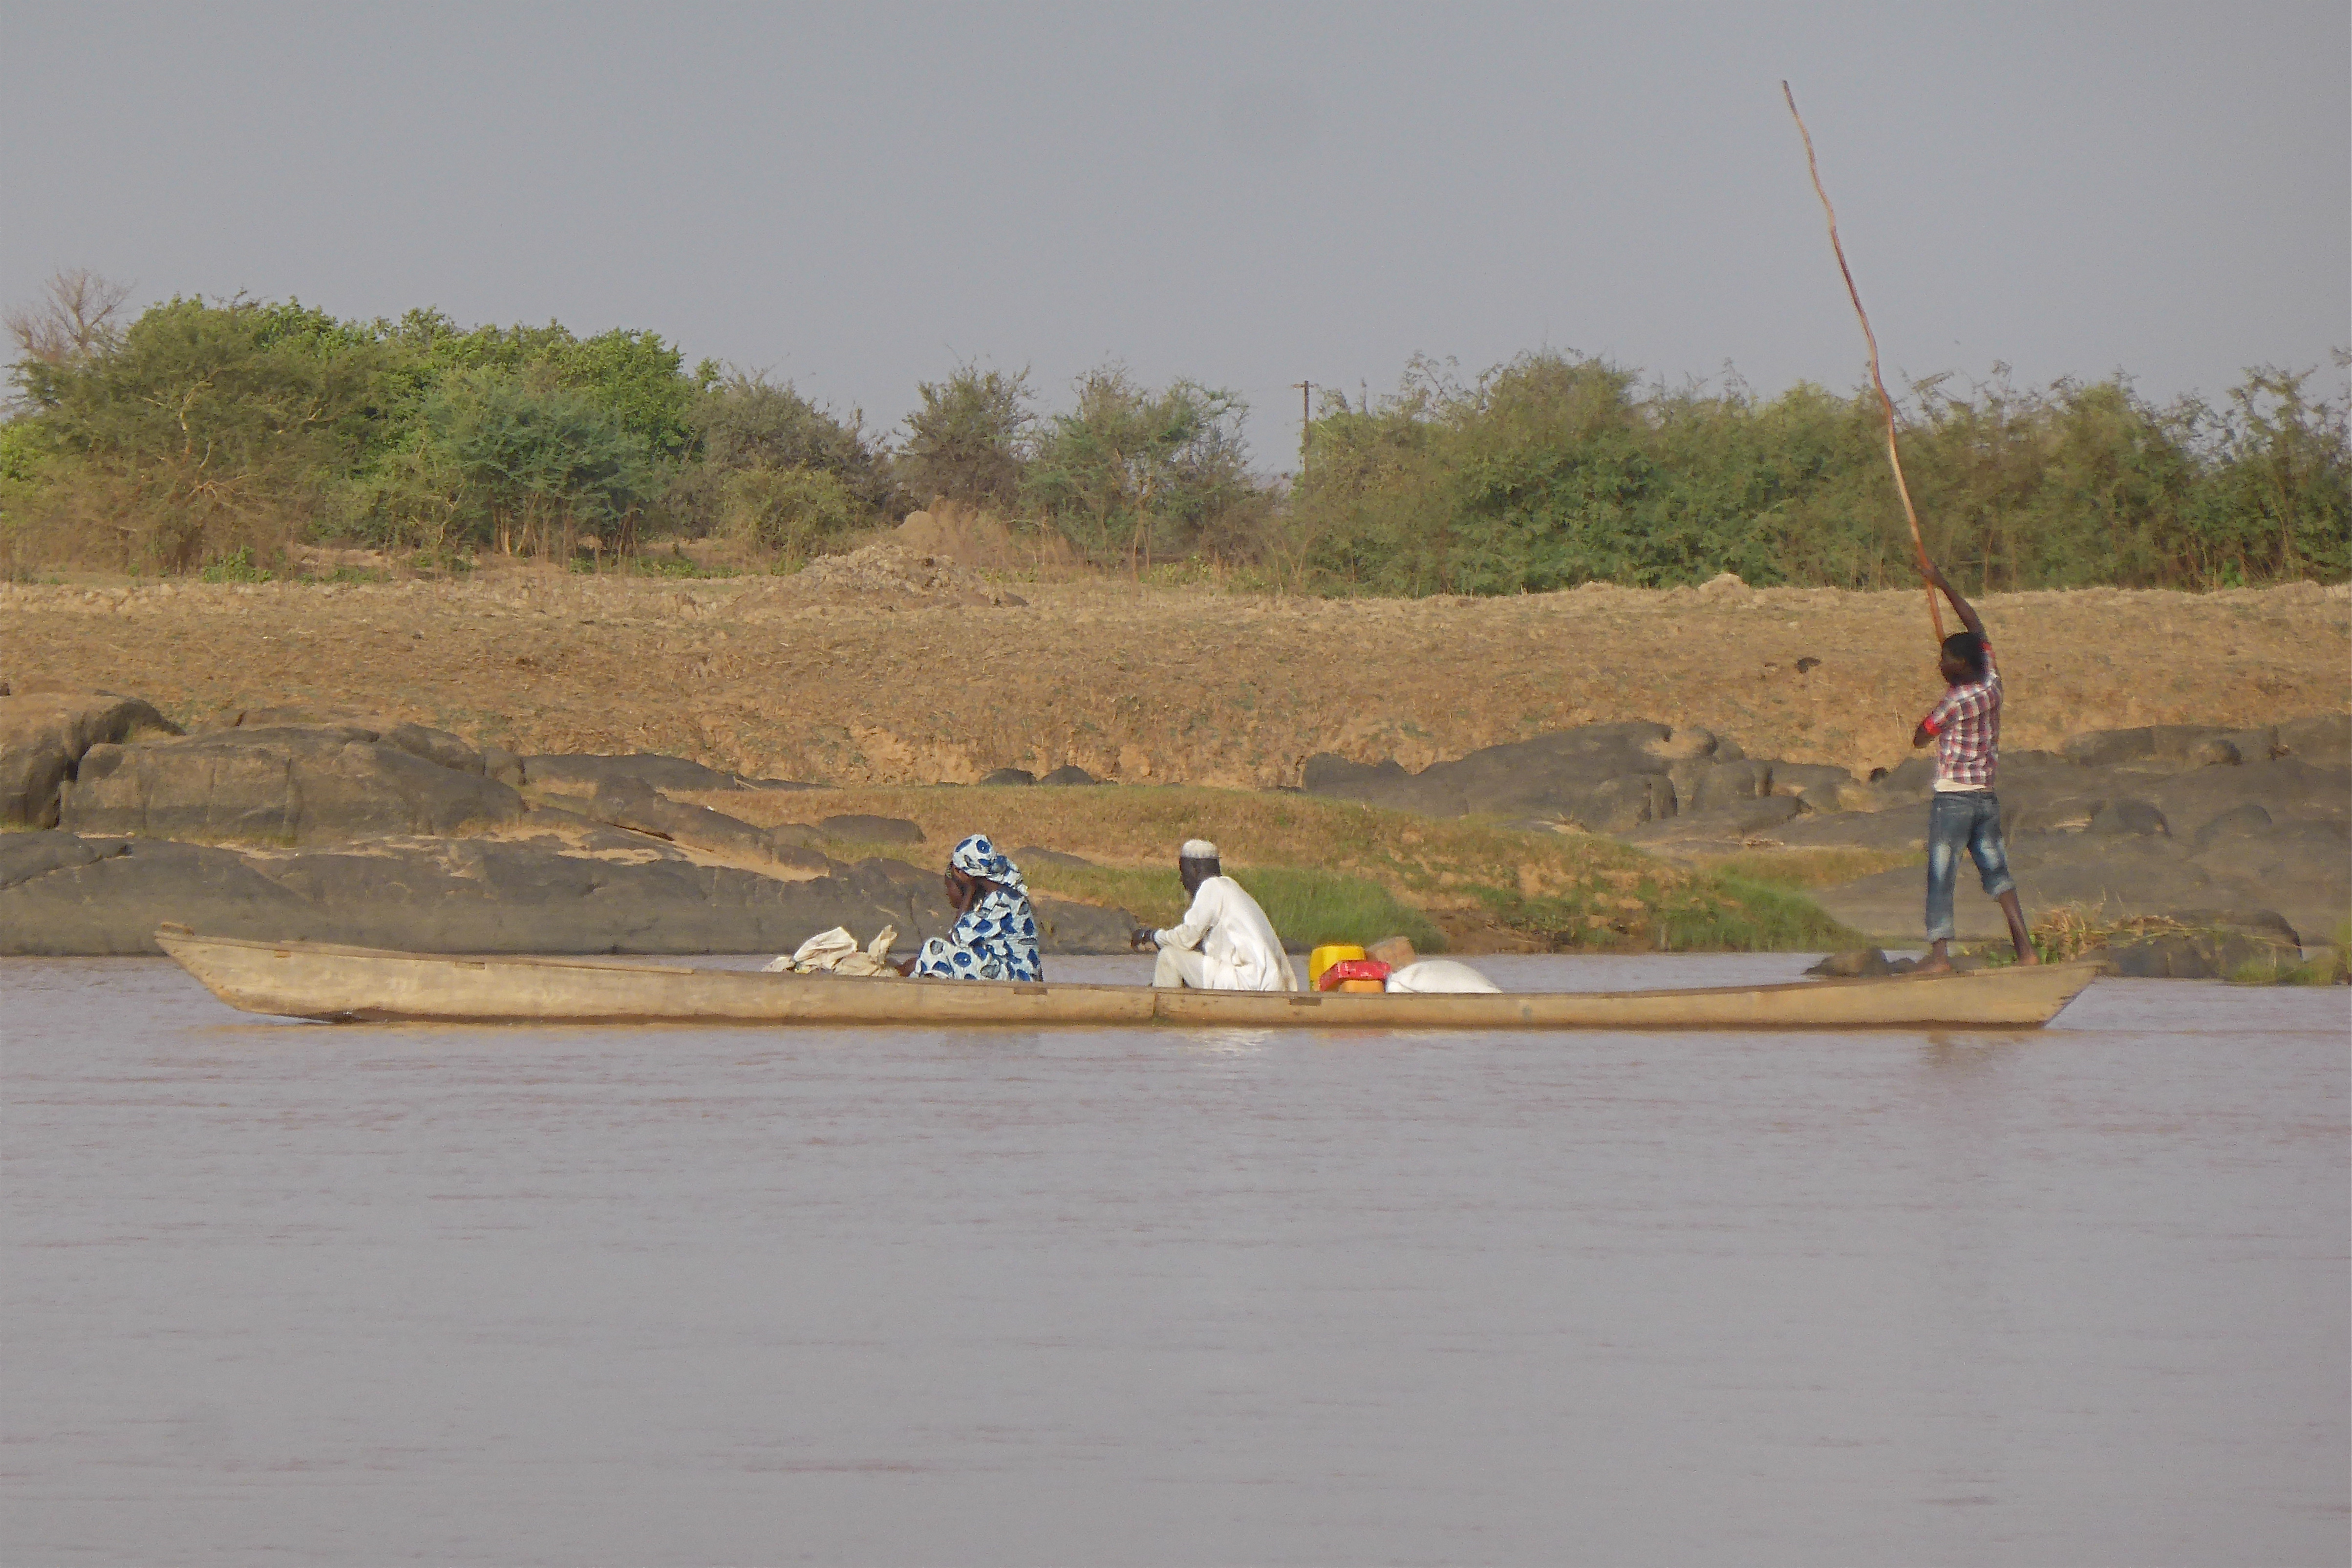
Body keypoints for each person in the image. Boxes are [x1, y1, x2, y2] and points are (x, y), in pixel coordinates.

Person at [1910, 562, 2039, 973]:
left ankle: (1939, 958)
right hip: (1985, 797)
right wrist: (1942, 582)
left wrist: (1945, 696)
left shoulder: (1956, 700)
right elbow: (1975, 625)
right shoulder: (1992, 682)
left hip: (1954, 799)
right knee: (1998, 875)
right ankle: (2026, 951)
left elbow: (1921, 735)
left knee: (1941, 874)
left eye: (1945, 661)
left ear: (1961, 666)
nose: (1940, 665)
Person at [1130, 839, 1300, 991]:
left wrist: (1151, 936)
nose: (1182, 880)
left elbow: (1185, 938)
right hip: (1272, 984)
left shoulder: (1211, 886)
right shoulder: (1233, 888)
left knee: (1169, 957)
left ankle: (1163, 1009)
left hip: (1250, 983)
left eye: (1183, 872)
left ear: (1194, 869)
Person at [898, 834, 1042, 981]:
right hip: (1006, 969)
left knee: (935, 948)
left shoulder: (1001, 900)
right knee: (936, 958)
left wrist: (969, 891)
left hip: (1019, 976)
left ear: (961, 872)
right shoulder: (992, 895)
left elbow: (954, 940)